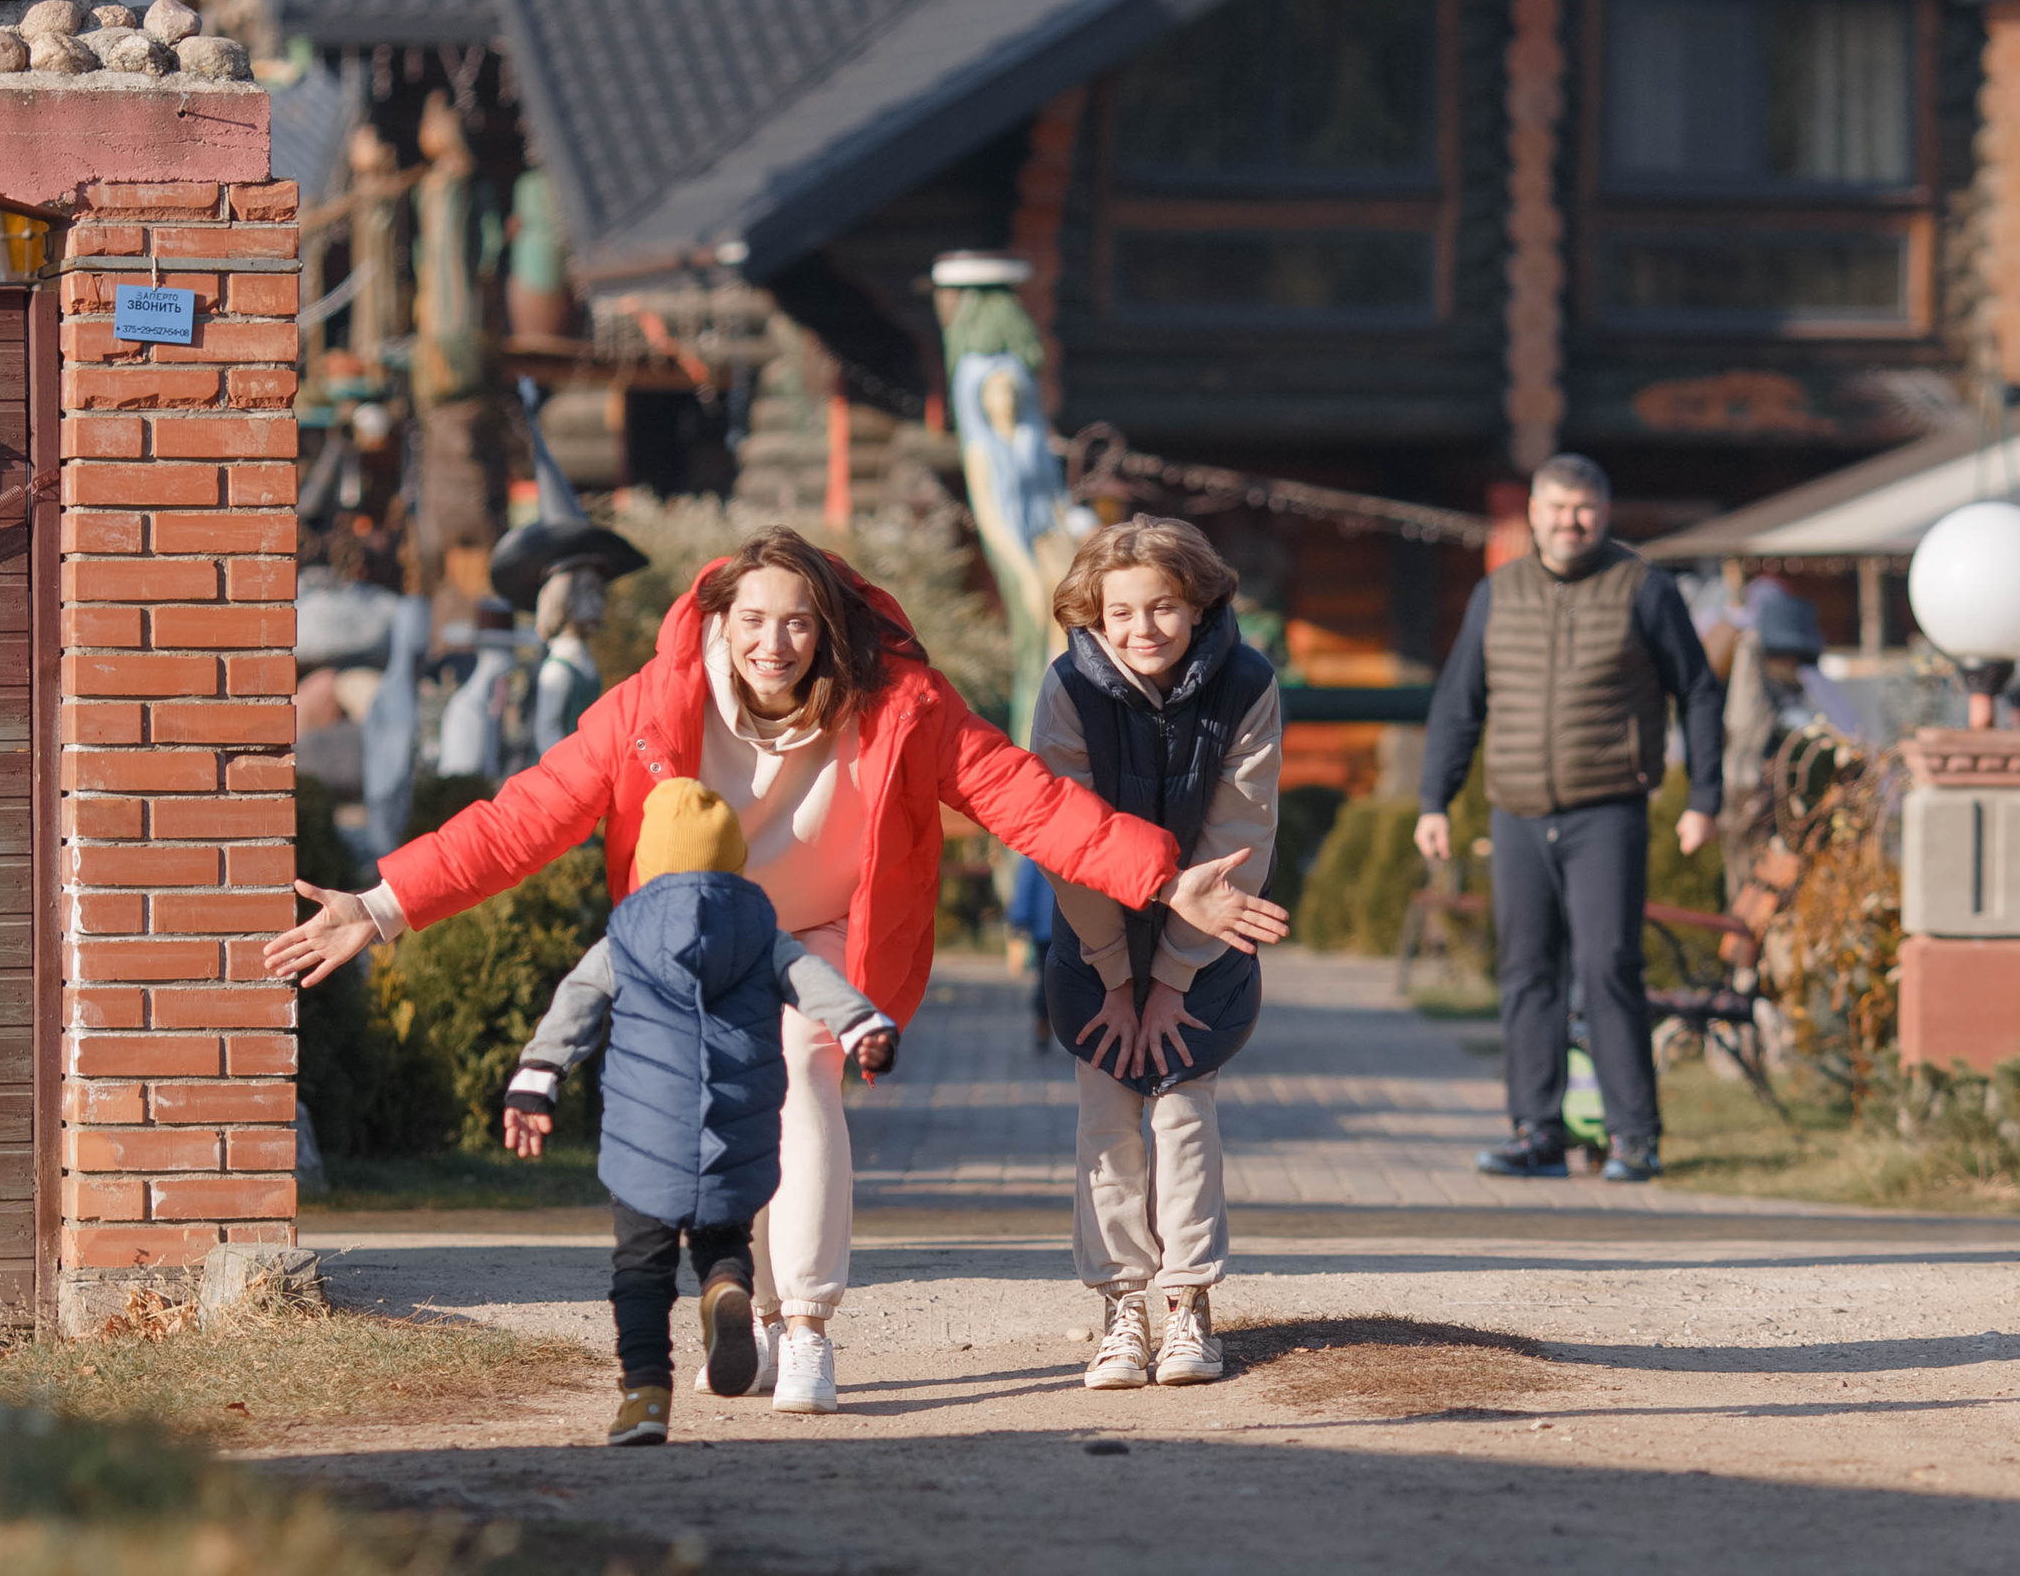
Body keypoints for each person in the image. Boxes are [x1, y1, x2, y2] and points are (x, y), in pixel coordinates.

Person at [266, 526, 1289, 1415]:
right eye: (751, 618)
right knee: (725, 1108)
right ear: (717, 617)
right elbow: (523, 818)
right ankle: (748, 1304)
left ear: (828, 626)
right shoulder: (650, 708)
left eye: (796, 621)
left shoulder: (901, 705)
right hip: (705, 938)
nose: (772, 642)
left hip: (833, 930)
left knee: (804, 1070)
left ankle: (806, 1321)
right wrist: (381, 904)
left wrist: (1162, 881)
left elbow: (1031, 801)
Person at [499, 779, 892, 1442]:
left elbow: (575, 1004)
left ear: (649, 862)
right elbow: (813, 982)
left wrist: (536, 1079)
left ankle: (647, 1395)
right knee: (723, 1239)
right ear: (735, 860)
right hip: (735, 1131)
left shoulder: (623, 937)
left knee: (641, 1270)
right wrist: (861, 1027)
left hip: (644, 1138)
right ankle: (725, 1291)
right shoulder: (763, 931)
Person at [1416, 455, 1725, 1183]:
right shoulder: (1498, 593)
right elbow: (1460, 703)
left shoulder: (1643, 589)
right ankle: (1536, 1130)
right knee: (1526, 973)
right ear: (1532, 512)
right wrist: (1436, 798)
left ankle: (1634, 1137)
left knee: (1606, 967)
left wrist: (1704, 798)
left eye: (1583, 508)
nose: (1570, 522)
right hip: (1517, 810)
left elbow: (1700, 692)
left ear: (1605, 511)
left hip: (1607, 809)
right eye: (1556, 508)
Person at [1033, 517, 1279, 1391]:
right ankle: (1120, 1304)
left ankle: (1188, 1303)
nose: (1143, 630)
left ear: (1199, 602)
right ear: (1091, 615)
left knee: (1181, 1108)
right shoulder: (1068, 687)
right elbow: (1065, 837)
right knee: (1106, 1118)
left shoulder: (1247, 683)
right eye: (1121, 612)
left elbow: (1239, 835)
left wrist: (1172, 976)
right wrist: (1115, 976)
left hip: (1203, 938)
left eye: (1164, 607)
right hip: (1092, 936)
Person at [1006, 856, 1057, 1052]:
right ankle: (1043, 1025)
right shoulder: (1039, 850)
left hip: (1048, 927)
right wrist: (1020, 916)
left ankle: (1043, 1027)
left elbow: (1025, 883)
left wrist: (1020, 917)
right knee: (1048, 982)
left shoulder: (1038, 846)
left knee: (1046, 981)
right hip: (1050, 928)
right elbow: (1027, 882)